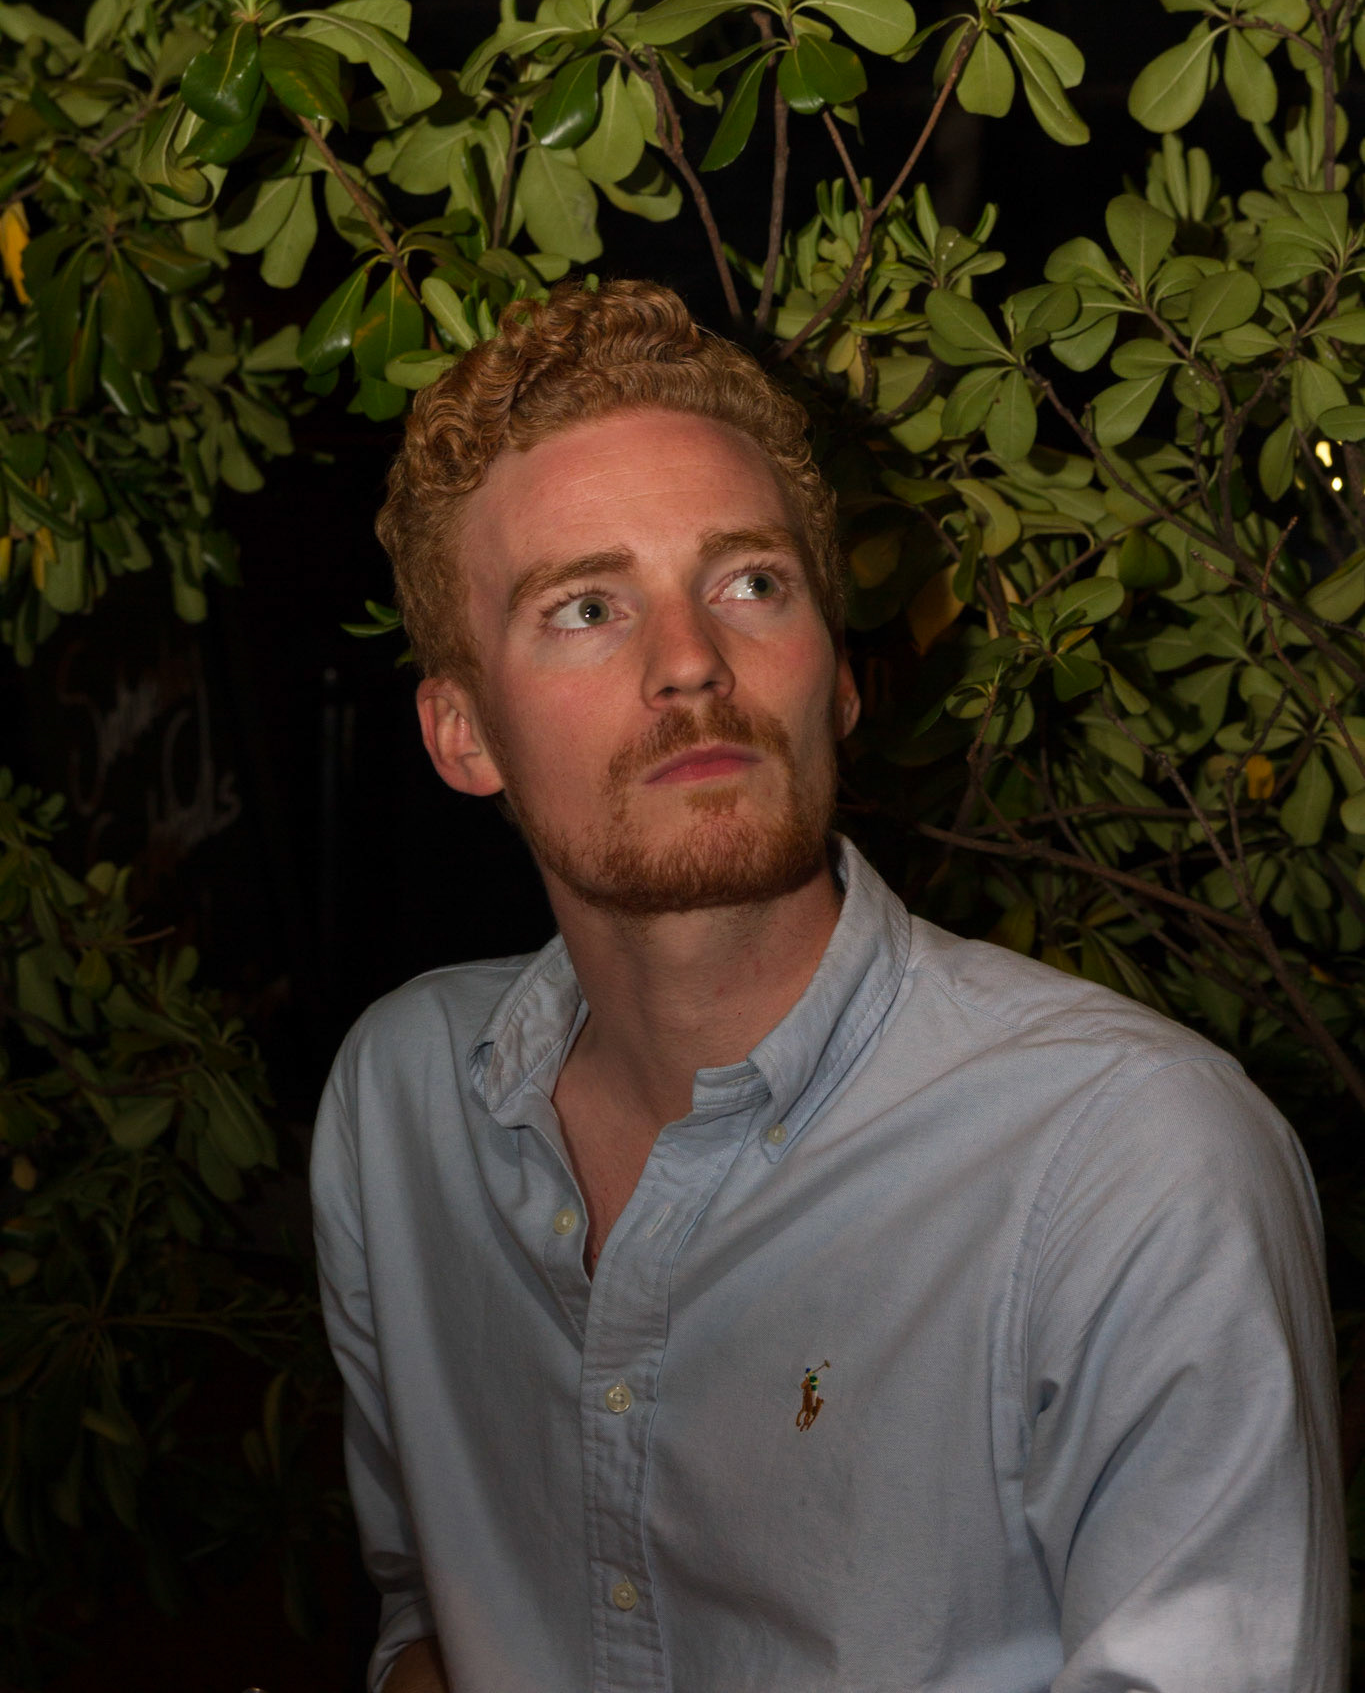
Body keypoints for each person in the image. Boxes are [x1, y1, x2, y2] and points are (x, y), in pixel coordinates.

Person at [311, 279, 1347, 1693]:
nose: (691, 663)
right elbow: (422, 1613)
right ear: (461, 733)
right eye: (587, 607)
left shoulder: (1130, 1166)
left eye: (750, 584)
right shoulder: (401, 1106)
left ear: (840, 682)